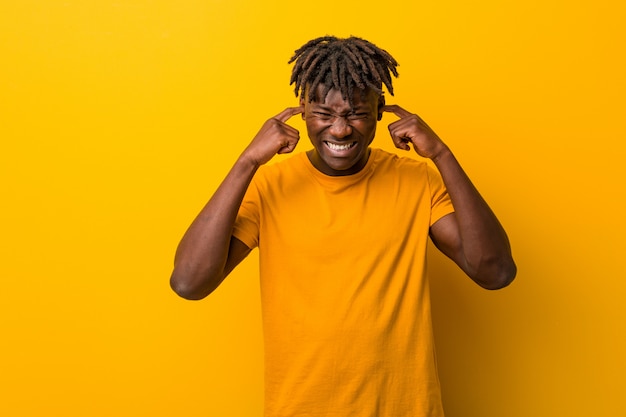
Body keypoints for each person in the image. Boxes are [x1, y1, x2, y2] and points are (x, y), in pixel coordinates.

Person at [170, 36, 516, 417]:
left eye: (355, 113)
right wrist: (247, 162)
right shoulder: (270, 187)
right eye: (323, 113)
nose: (339, 130)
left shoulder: (418, 181)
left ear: (380, 112)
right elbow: (189, 282)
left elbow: (494, 271)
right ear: (302, 111)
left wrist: (442, 155)